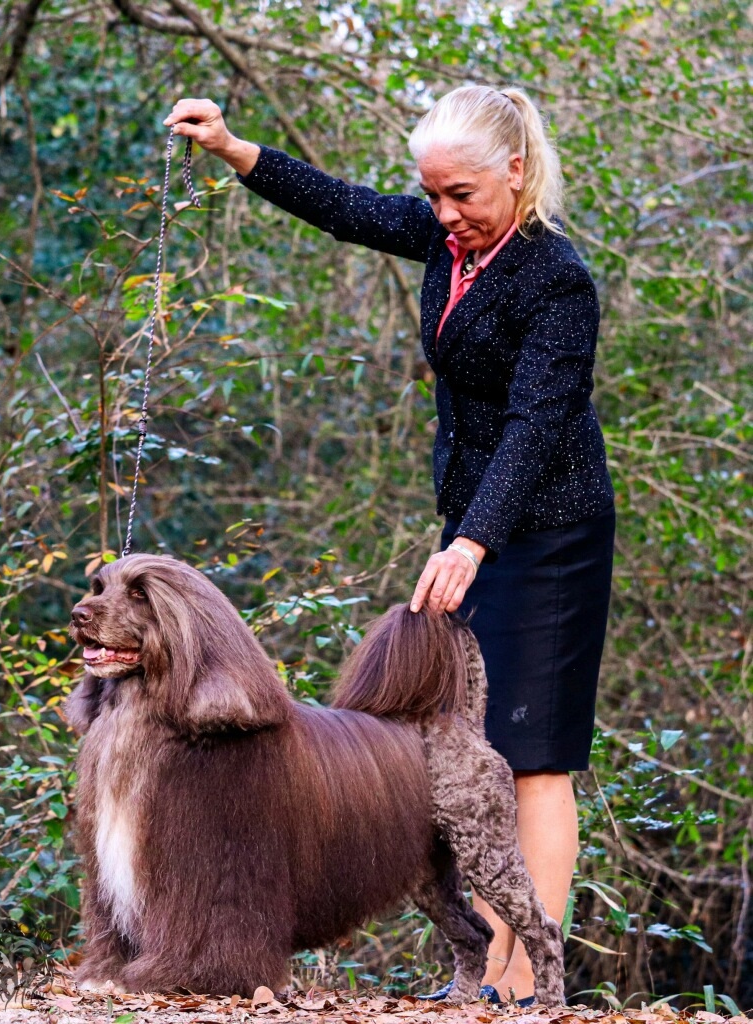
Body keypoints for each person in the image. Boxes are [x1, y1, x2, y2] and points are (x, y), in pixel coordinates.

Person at [163, 86, 615, 1005]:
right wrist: (234, 148)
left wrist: (473, 544)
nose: (445, 215)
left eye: (464, 195)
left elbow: (535, 427)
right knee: (465, 746)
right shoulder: (452, 247)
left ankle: (525, 977)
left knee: (532, 752)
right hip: (477, 531)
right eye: (434, 195)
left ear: (516, 174)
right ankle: (486, 967)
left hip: (550, 535)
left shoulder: (557, 280)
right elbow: (347, 209)